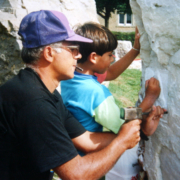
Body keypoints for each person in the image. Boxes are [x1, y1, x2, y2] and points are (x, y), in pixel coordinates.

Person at [0, 10, 152, 180]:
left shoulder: (42, 90)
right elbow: (76, 174)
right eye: (72, 49)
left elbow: (85, 139)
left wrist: (131, 134)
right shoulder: (34, 103)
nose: (79, 55)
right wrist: (122, 142)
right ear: (49, 53)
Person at [61, 22, 165, 180]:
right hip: (91, 165)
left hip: (73, 157)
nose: (113, 57)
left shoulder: (72, 77)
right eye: (110, 54)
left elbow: (109, 73)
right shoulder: (96, 93)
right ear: (94, 57)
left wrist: (135, 49)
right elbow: (122, 124)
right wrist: (149, 100)